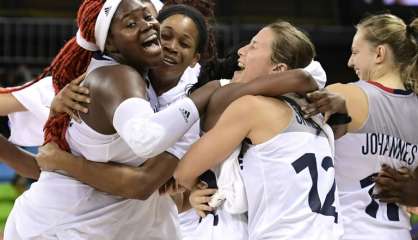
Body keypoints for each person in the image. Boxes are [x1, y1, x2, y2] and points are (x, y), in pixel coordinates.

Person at [4, 0, 216, 239]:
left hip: (113, 227)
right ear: (111, 43)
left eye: (148, 17)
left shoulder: (177, 99)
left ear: (195, 58)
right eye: (166, 35)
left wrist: (62, 161)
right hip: (63, 227)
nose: (170, 46)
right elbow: (46, 165)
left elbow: (146, 186)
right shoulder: (99, 82)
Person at [174, 20, 342, 240]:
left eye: (253, 45)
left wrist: (195, 188)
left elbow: (183, 172)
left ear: (278, 69)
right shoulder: (321, 116)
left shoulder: (251, 107)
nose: (241, 51)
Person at [303, 13, 418, 240]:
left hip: (349, 231)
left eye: (355, 52)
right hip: (399, 234)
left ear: (379, 53)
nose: (349, 62)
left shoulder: (344, 95)